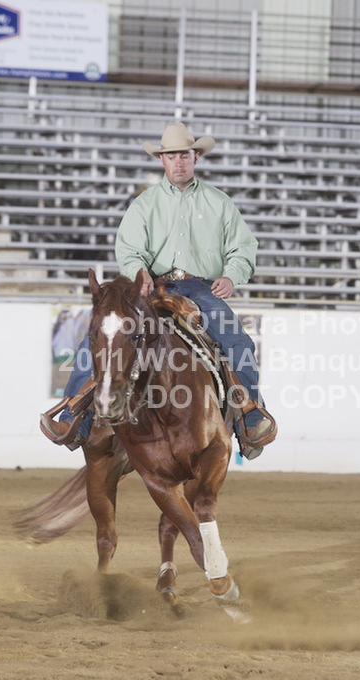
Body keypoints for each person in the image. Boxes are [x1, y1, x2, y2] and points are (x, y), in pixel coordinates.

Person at [41, 122, 275, 459]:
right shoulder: (144, 204)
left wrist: (231, 276)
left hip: (200, 288)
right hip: (150, 286)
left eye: (184, 155)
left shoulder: (219, 203)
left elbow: (243, 248)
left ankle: (249, 417)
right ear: (162, 160)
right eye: (171, 156)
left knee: (238, 341)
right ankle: (74, 414)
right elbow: (129, 249)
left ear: (195, 158)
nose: (178, 162)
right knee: (100, 338)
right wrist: (139, 271)